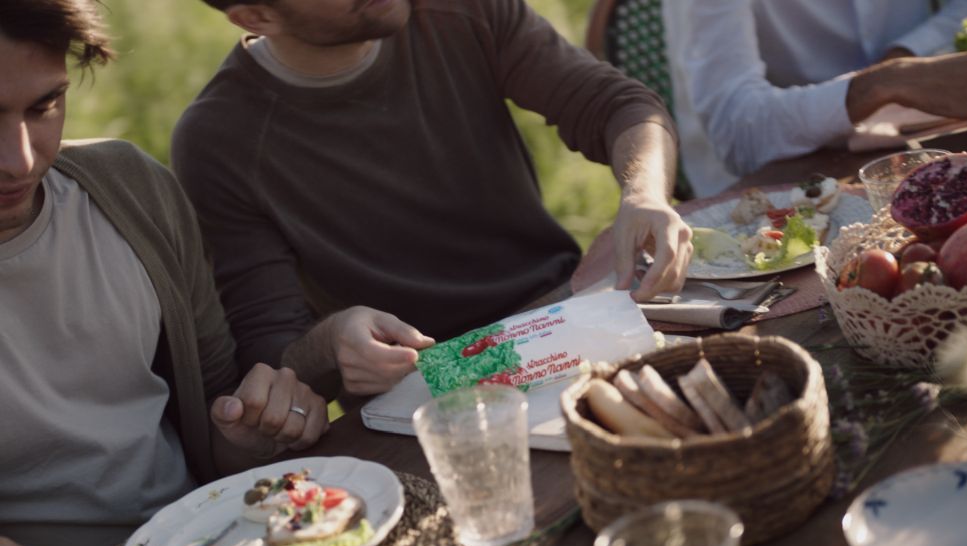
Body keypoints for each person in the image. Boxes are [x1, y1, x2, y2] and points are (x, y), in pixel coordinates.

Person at [173, 0, 693, 397]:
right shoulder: (219, 139)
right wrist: (332, 343)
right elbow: (270, 354)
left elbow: (618, 105)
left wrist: (644, 194)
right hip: (430, 384)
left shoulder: (459, 11)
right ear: (257, 16)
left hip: (560, 312)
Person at [0, 1, 340, 546]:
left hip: (218, 541)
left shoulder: (135, 192)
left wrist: (251, 432)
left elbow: (214, 410)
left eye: (45, 106)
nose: (20, 159)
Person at [663, 0, 967, 197]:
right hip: (771, 187)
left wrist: (906, 59)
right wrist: (879, 85)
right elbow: (739, 133)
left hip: (917, 143)